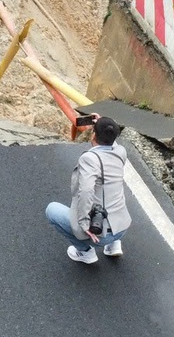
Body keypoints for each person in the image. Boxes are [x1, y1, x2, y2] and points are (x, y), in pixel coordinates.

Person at [45, 113, 132, 264]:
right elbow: (112, 143)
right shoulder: (121, 152)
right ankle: (113, 246)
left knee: (51, 210)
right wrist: (104, 126)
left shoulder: (90, 159)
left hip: (100, 233)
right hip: (122, 227)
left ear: (93, 135)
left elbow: (86, 191)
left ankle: (85, 253)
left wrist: (84, 224)